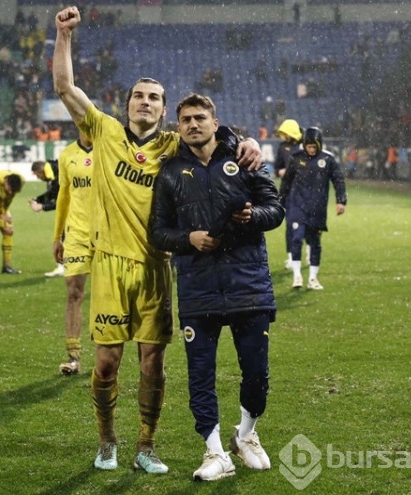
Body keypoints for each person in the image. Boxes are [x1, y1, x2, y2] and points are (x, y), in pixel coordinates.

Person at [53, 5, 261, 475]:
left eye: (154, 98)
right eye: (138, 96)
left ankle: (146, 445)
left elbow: (211, 130)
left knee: (152, 365)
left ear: (164, 111)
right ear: (126, 104)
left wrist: (245, 141)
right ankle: (107, 440)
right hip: (108, 264)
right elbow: (65, 87)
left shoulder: (172, 145)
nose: (145, 102)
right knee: (106, 364)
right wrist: (63, 36)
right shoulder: (103, 132)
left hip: (155, 268)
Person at [149, 93, 284, 481]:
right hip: (199, 288)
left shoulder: (244, 159)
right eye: (186, 119)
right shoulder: (171, 172)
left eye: (200, 118)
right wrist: (188, 238)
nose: (193, 124)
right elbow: (158, 232)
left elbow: (275, 209)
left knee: (256, 373)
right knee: (200, 377)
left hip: (249, 285)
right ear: (178, 127)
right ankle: (214, 452)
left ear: (215, 121)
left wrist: (251, 215)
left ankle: (246, 436)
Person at [279, 127, 347, 290]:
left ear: (319, 145)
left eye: (314, 147)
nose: (311, 149)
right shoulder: (296, 158)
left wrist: (341, 201)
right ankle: (297, 276)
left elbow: (338, 180)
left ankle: (313, 279)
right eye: (308, 146)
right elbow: (287, 181)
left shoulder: (328, 160)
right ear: (304, 145)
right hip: (298, 205)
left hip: (317, 208)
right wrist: (281, 199)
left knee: (315, 243)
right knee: (296, 238)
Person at [51, 132, 94, 375]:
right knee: (74, 293)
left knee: (107, 295)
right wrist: (57, 236)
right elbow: (64, 195)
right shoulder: (67, 154)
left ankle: (106, 354)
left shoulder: (110, 149)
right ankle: (73, 356)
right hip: (77, 234)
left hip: (107, 233)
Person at [273, 119, 303, 270]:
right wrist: (280, 171)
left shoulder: (304, 146)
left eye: (285, 132)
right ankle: (291, 255)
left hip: (304, 192)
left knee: (309, 224)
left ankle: (310, 252)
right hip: (288, 191)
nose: (283, 136)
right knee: (290, 224)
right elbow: (277, 167)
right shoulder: (282, 147)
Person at [29, 159, 65, 277]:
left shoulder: (59, 175)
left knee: (62, 237)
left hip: (75, 210)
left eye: (38, 175)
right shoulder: (54, 174)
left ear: (41, 170)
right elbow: (53, 194)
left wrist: (43, 207)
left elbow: (61, 200)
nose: (38, 178)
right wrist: (37, 200)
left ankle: (63, 267)